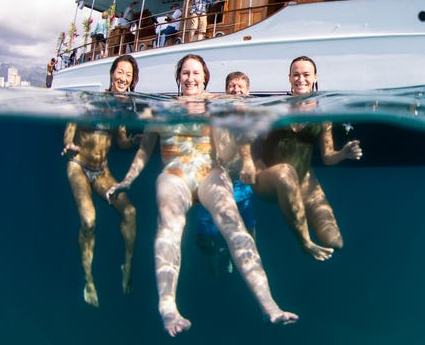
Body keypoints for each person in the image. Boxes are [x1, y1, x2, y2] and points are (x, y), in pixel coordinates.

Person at [107, 54, 296, 336]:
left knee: (235, 227)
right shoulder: (162, 108)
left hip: (210, 171)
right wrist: (127, 179)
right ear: (178, 78)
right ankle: (167, 307)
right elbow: (145, 150)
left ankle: (270, 305)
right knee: (170, 223)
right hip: (175, 174)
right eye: (185, 73)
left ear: (205, 77)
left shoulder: (217, 104)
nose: (190, 78)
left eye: (196, 73)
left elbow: (243, 111)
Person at [241, 56, 363, 261]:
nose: (301, 79)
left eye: (306, 74)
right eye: (296, 75)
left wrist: (343, 154)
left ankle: (306, 225)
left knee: (334, 241)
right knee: (285, 172)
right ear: (289, 78)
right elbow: (246, 136)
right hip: (267, 177)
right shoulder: (275, 107)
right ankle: (304, 242)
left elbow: (327, 157)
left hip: (304, 177)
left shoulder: (322, 114)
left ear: (315, 77)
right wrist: (248, 162)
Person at [61, 54, 141, 307]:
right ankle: (89, 280)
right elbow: (71, 126)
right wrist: (68, 144)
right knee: (89, 220)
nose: (123, 78)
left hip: (102, 171)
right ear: (112, 73)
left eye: (128, 75)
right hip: (78, 166)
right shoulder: (92, 101)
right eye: (120, 72)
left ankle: (126, 267)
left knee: (130, 212)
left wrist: (135, 142)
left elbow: (120, 141)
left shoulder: (121, 108)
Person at [196, 71, 256, 278]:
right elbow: (205, 101)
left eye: (240, 87)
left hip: (240, 183)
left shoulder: (252, 112)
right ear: (225, 90)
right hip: (216, 181)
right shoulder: (217, 111)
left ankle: (235, 259)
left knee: (248, 230)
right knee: (203, 237)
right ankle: (213, 260)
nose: (236, 90)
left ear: (248, 91)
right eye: (232, 86)